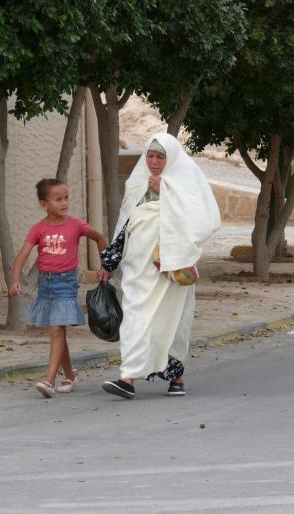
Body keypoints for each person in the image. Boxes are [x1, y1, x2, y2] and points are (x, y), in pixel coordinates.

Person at [98, 133, 221, 399]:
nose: (154, 162)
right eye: (150, 156)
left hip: (171, 268)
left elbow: (204, 221)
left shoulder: (186, 183)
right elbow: (125, 226)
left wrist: (165, 192)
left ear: (171, 158)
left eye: (160, 157)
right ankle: (127, 379)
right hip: (138, 268)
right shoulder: (137, 183)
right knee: (135, 318)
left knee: (171, 321)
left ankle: (176, 377)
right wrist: (109, 262)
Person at [10, 178, 108, 398]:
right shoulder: (39, 229)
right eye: (58, 199)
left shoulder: (76, 225)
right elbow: (22, 256)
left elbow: (100, 238)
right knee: (58, 331)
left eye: (66, 198)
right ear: (44, 204)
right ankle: (70, 375)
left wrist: (105, 266)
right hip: (46, 284)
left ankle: (49, 380)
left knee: (56, 330)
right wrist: (15, 279)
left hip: (66, 283)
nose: (64, 203)